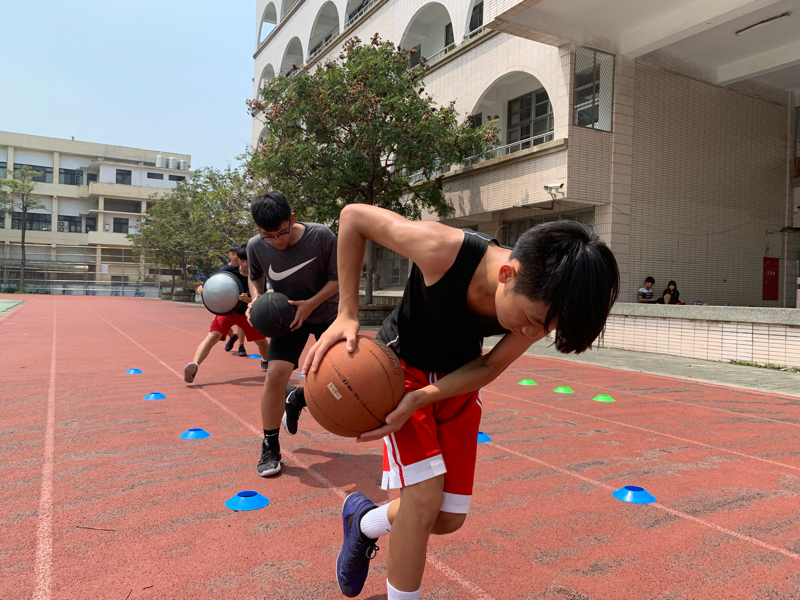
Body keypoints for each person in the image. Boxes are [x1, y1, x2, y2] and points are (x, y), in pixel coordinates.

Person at [299, 205, 619, 600]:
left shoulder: (541, 302)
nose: (530, 332)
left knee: (448, 517)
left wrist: (425, 398)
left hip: (456, 381)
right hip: (400, 371)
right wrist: (347, 312)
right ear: (507, 274)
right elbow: (353, 218)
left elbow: (489, 364)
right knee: (422, 501)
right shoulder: (441, 249)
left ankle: (363, 523)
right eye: (531, 320)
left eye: (543, 329)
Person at [245, 191, 339, 477]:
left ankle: (297, 397)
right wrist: (256, 300)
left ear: (292, 219)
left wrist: (310, 304)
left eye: (282, 233)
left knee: (342, 380)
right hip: (287, 318)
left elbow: (338, 279)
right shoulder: (256, 246)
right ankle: (270, 445)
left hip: (326, 314)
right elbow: (254, 276)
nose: (277, 241)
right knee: (274, 375)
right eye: (268, 236)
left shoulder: (321, 236)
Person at [183, 247, 269, 383]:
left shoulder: (257, 276)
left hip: (247, 313)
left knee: (261, 341)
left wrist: (249, 300)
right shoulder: (228, 271)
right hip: (227, 311)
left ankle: (266, 361)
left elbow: (262, 297)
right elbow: (212, 283)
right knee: (212, 336)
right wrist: (202, 288)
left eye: (248, 261)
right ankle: (194, 365)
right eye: (242, 260)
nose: (245, 264)